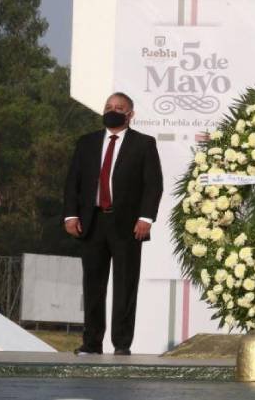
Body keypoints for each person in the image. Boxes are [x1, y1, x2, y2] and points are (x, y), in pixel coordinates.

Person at [63, 92, 162, 356]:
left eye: (119, 107)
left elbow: (153, 184)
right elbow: (73, 181)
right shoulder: (87, 142)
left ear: (130, 114)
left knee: (125, 286)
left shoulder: (144, 144)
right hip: (92, 222)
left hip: (127, 226)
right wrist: (70, 215)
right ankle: (91, 343)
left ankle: (121, 344)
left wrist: (146, 218)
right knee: (93, 285)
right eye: (108, 106)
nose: (112, 110)